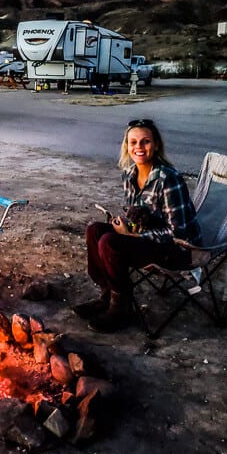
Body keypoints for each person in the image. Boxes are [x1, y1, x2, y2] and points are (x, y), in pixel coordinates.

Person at [76, 119, 202, 333]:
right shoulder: (129, 174)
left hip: (179, 250)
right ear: (126, 146)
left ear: (156, 145)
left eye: (145, 142)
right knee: (94, 230)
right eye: (133, 142)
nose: (139, 148)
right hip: (149, 239)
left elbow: (178, 232)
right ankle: (107, 294)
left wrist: (132, 236)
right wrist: (126, 224)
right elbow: (137, 215)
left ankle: (121, 308)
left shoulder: (168, 179)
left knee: (109, 242)